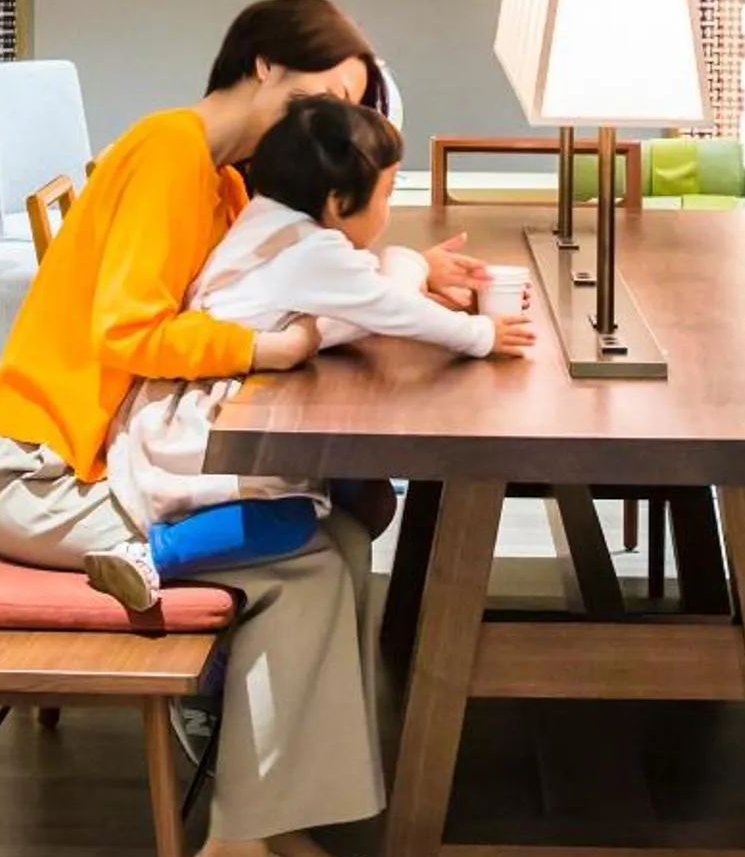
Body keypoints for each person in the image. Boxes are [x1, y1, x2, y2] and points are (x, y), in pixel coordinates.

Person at [0, 0, 489, 857]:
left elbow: (282, 273)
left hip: (102, 457)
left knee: (340, 535)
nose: (334, 121)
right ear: (263, 66)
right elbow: (130, 332)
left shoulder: (226, 182)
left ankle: (281, 820)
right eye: (332, 95)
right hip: (46, 472)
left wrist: (404, 270)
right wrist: (267, 352)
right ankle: (233, 856)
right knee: (302, 568)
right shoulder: (170, 150)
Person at [88, 93, 533, 613]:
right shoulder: (315, 254)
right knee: (288, 517)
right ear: (338, 202)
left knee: (356, 491)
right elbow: (393, 307)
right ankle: (151, 555)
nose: (389, 210)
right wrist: (481, 334)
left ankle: (355, 600)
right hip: (206, 423)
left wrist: (411, 265)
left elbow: (363, 302)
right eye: (387, 194)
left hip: (195, 400)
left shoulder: (270, 219)